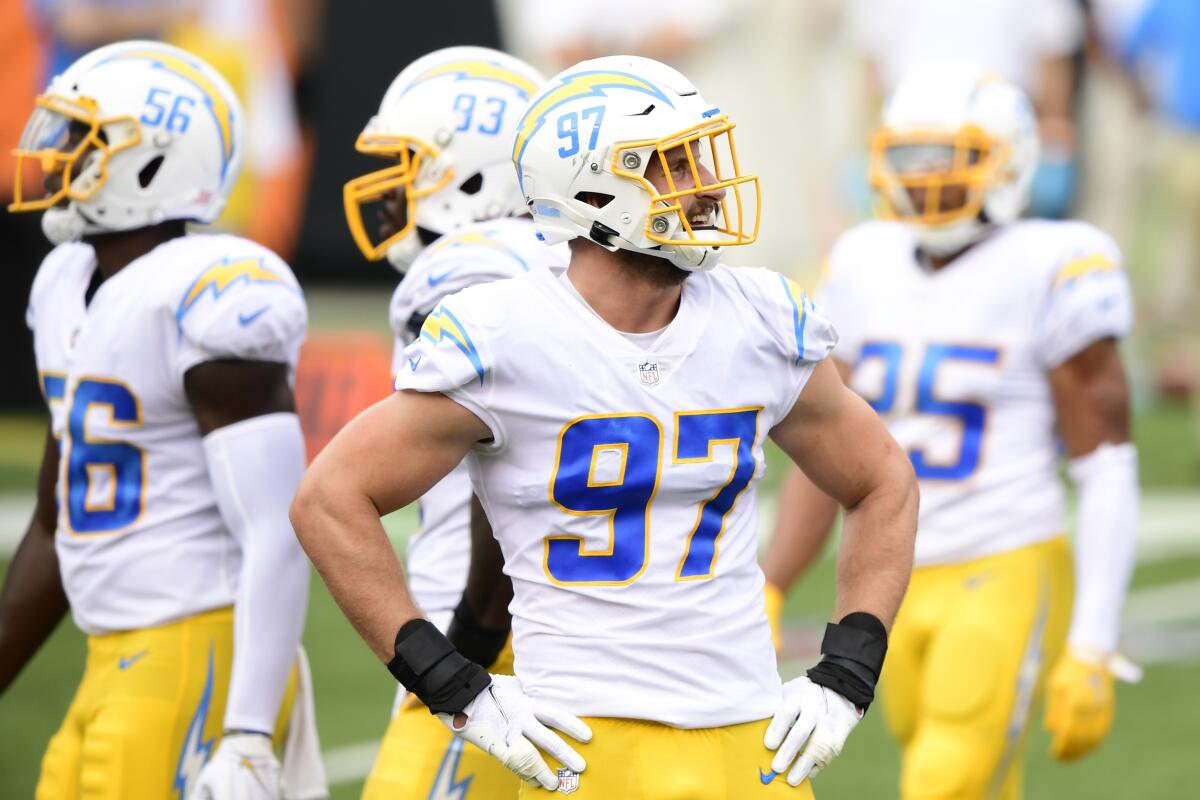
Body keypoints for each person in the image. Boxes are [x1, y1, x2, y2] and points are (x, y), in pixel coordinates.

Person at [292, 54, 918, 798]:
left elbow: (883, 481)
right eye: (674, 165)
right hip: (581, 743)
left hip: (752, 740)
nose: (706, 184)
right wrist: (452, 680)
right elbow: (328, 500)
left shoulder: (761, 316)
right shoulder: (506, 329)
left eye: (699, 159)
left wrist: (847, 670)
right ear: (593, 188)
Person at [762, 62, 1140, 799]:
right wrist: (771, 582)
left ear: (1010, 160)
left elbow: (1106, 464)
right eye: (913, 158)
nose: (929, 179)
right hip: (881, 570)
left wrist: (1093, 643)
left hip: (1003, 558)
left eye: (951, 158)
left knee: (944, 777)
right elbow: (823, 449)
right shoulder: (861, 261)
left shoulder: (1056, 262)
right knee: (963, 776)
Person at [0, 40, 324, 800]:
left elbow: (278, 527)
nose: (53, 155)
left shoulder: (209, 291)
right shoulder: (65, 280)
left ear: (149, 164)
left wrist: (246, 732)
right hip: (110, 659)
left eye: (78, 139)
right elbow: (57, 519)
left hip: (198, 650)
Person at [341, 45, 567, 800]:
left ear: (472, 173)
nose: (392, 183)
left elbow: (501, 458)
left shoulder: (466, 269)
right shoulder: (558, 264)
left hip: (494, 646)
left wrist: (465, 638)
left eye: (412, 162)